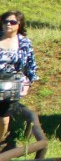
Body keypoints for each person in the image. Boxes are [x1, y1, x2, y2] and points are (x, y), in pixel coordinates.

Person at [0, 10, 38, 142]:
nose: (8, 24)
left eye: (12, 22)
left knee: (4, 120)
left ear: (19, 24)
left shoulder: (24, 43)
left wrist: (27, 83)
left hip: (10, 86)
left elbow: (30, 65)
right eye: (5, 21)